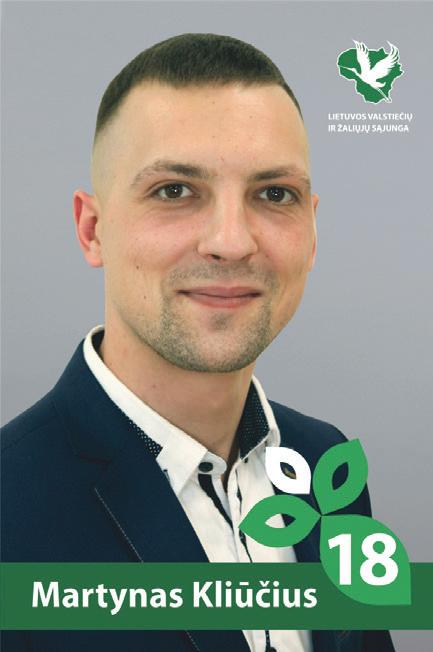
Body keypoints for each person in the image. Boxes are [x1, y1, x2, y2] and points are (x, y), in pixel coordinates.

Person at [1, 33, 394, 652]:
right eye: (175, 191)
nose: (231, 242)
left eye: (274, 194)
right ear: (93, 229)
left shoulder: (328, 465)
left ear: (313, 232)